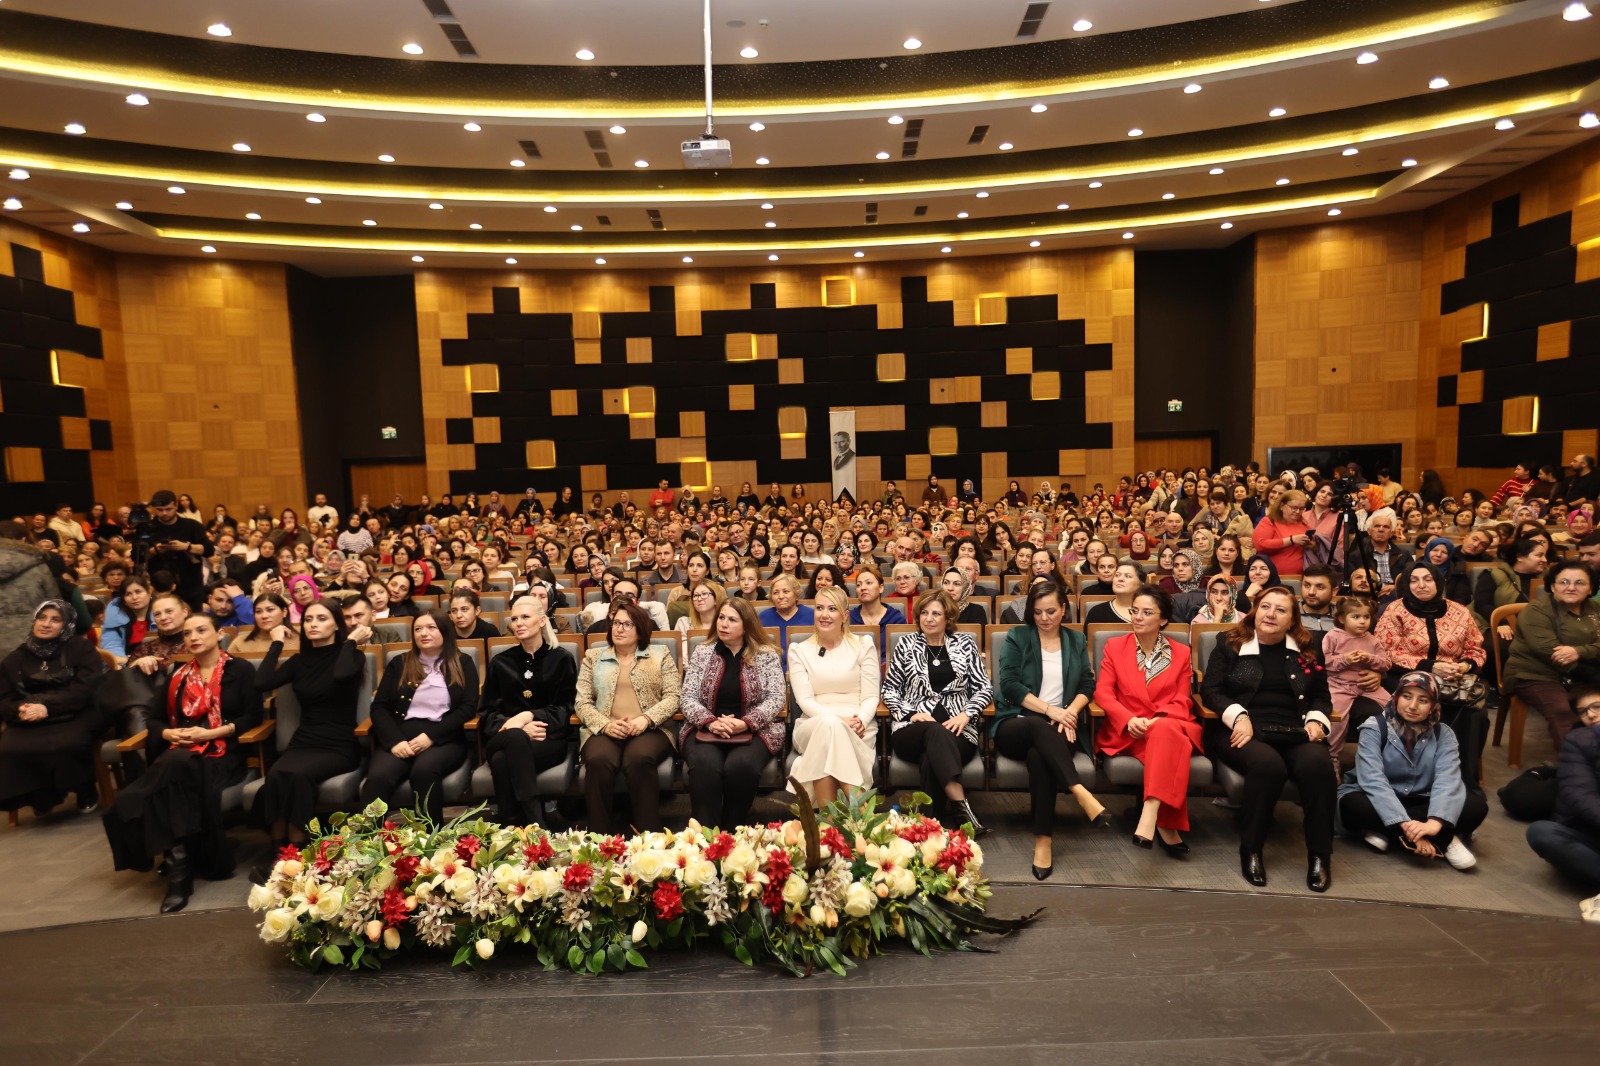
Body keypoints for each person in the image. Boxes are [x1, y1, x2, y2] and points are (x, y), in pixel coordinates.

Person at [102, 613, 263, 911]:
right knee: (177, 770)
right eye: (188, 633)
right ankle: (182, 864)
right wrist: (168, 731)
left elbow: (252, 717)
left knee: (165, 779)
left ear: (219, 634)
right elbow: (154, 719)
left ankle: (178, 872)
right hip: (179, 753)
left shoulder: (239, 671)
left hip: (223, 754)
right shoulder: (177, 675)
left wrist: (210, 732)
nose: (193, 637)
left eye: (201, 630)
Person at [1201, 588, 1336, 892]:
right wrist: (1239, 716)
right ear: (1255, 611)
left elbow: (1320, 696)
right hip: (1242, 729)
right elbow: (1211, 690)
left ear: (1292, 620)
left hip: (1295, 730)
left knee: (1318, 766)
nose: (1271, 614)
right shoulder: (1230, 643)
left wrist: (1316, 719)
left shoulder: (1309, 646)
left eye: (1280, 610)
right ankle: (1251, 849)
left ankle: (1320, 855)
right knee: (1268, 766)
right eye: (1265, 607)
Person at [992, 581, 1110, 878]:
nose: (1044, 618)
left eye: (1051, 611)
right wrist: (1049, 710)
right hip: (1017, 722)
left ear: (1064, 609)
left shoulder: (1075, 640)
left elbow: (1087, 684)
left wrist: (1069, 712)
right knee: (1035, 726)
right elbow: (1010, 685)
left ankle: (1043, 840)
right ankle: (1079, 791)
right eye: (1038, 612)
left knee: (1039, 757)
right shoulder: (1018, 636)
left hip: (1061, 726)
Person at [1337, 672, 1486, 870]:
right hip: (1379, 797)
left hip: (1424, 799)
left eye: (1423, 700)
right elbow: (1373, 780)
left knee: (1476, 806)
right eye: (1407, 697)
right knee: (1352, 804)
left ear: (1433, 705)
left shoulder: (1444, 734)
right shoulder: (1374, 727)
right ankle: (1444, 839)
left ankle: (1391, 833)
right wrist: (1405, 822)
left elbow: (1448, 781)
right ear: (1396, 697)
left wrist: (1435, 821)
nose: (1413, 706)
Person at [1094, 586, 1202, 855]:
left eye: (1146, 612)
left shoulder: (1181, 653)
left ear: (1163, 620)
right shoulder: (1115, 646)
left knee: (1165, 730)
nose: (1137, 617)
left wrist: (1155, 721)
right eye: (1134, 611)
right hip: (1129, 731)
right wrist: (1129, 719)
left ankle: (1150, 810)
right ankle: (1166, 825)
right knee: (1169, 742)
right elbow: (1103, 692)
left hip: (1166, 724)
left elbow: (1182, 700)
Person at [251, 600, 365, 848]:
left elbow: (341, 674)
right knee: (276, 775)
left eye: (322, 618)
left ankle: (296, 850)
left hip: (339, 744)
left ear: (337, 624)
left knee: (299, 776)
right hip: (304, 741)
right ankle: (279, 851)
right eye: (309, 619)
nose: (313, 624)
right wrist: (277, 643)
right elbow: (261, 682)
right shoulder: (298, 661)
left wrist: (351, 641)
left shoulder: (352, 656)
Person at [883, 590, 993, 833]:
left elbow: (984, 688)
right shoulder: (906, 644)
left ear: (948, 618)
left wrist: (966, 714)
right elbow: (889, 689)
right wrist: (911, 714)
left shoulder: (965, 643)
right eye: (924, 613)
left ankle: (930, 826)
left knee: (929, 758)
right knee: (933, 731)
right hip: (911, 729)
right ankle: (960, 804)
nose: (929, 618)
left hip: (958, 730)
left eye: (936, 613)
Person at [1375, 559, 1488, 790]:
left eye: (1427, 579)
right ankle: (1419, 777)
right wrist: (1430, 666)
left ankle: (1463, 779)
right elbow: (1386, 652)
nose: (1421, 585)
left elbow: (1476, 648)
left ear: (1438, 581)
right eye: (1414, 580)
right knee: (1426, 700)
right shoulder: (1395, 610)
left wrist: (1465, 666)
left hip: (1453, 677)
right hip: (1406, 674)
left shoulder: (1460, 612)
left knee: (1475, 710)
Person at [360, 611, 477, 826]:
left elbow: (468, 708)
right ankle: (368, 841)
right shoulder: (400, 662)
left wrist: (431, 736)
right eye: (418, 629)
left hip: (444, 737)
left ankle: (429, 838)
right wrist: (394, 741)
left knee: (424, 771)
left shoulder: (462, 662)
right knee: (378, 777)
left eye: (431, 627)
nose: (423, 633)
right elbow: (380, 708)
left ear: (444, 631)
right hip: (400, 735)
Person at [677, 597, 785, 828]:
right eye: (721, 618)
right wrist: (710, 722)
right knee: (705, 766)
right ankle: (705, 837)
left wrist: (745, 723)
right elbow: (687, 697)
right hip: (705, 728)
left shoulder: (766, 654)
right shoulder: (703, 652)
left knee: (741, 766)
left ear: (747, 625)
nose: (724, 624)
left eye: (732, 620)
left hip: (756, 730)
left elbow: (776, 698)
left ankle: (733, 830)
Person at [575, 602, 680, 832]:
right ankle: (600, 838)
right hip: (605, 729)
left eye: (627, 624)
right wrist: (605, 725)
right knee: (599, 760)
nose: (619, 629)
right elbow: (582, 702)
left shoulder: (659, 654)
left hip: (651, 729)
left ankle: (648, 836)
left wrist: (646, 719)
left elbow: (673, 696)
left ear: (641, 629)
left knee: (639, 758)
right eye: (616, 623)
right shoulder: (594, 657)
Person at [0, 601, 107, 817]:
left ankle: (85, 790)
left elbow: (85, 689)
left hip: (75, 712)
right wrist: (20, 709)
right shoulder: (16, 657)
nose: (46, 624)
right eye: (42, 618)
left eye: (55, 620)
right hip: (30, 717)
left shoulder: (81, 648)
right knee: (10, 748)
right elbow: (4, 697)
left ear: (67, 625)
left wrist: (47, 707)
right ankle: (40, 796)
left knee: (69, 744)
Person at [480, 595, 575, 827]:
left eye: (525, 617)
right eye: (514, 619)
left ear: (542, 621)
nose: (518, 623)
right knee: (513, 738)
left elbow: (565, 709)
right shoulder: (500, 662)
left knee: (504, 760)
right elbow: (487, 712)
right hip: (503, 734)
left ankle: (511, 824)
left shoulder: (561, 659)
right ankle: (536, 824)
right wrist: (519, 725)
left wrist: (529, 716)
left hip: (547, 739)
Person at [788, 587, 879, 807]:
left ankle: (828, 820)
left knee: (829, 737)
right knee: (829, 726)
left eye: (832, 609)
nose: (824, 614)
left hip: (858, 725)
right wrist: (838, 720)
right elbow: (805, 701)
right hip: (812, 722)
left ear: (845, 616)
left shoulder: (863, 645)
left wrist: (861, 721)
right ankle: (861, 809)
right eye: (819, 608)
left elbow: (871, 696)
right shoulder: (799, 650)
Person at [1504, 561, 1600, 749]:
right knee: (1564, 711)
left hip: (1581, 671)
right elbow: (1550, 652)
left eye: (1580, 583)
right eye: (1563, 582)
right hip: (1535, 674)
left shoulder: (1594, 609)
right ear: (1552, 586)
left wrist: (1579, 651)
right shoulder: (1537, 610)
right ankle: (1580, 765)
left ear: (1590, 589)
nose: (1571, 588)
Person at [1526, 687, 1600, 921]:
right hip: (1590, 831)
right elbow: (1582, 798)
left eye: (1596, 706)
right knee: (1541, 832)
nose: (1589, 715)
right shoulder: (1579, 741)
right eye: (1582, 711)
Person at [1320, 595, 1392, 770]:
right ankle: (1333, 757)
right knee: (1337, 719)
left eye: (1366, 617)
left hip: (1367, 687)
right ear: (1342, 618)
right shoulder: (1333, 636)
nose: (1362, 622)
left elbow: (1386, 663)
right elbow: (1324, 663)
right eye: (1356, 617)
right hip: (1339, 686)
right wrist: (1345, 659)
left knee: (1394, 707)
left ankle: (1396, 754)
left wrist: (1371, 659)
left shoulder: (1372, 640)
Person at [848, 564, 905, 660]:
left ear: (881, 588)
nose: (863, 588)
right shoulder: (849, 618)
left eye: (868, 583)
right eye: (859, 585)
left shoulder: (896, 618)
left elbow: (902, 656)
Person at [1252, 489, 1311, 576]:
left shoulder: (1305, 525)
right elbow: (1260, 544)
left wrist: (1312, 546)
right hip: (1271, 576)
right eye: (1294, 508)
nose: (1298, 512)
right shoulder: (1269, 521)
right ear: (1282, 506)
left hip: (1299, 577)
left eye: (1301, 508)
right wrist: (1291, 540)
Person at [100, 576, 155, 660]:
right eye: (128, 594)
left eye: (138, 592)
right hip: (127, 665)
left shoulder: (161, 613)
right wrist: (122, 664)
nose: (134, 597)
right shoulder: (115, 617)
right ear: (123, 599)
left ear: (149, 592)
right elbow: (112, 645)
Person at [757, 574, 814, 649]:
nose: (781, 596)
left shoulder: (811, 615)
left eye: (786, 591)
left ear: (796, 595)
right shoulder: (763, 617)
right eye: (776, 593)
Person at [230, 593, 299, 655]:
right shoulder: (240, 643)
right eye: (258, 611)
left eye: (270, 610)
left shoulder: (300, 639)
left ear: (284, 612)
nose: (264, 616)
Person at [1297, 564, 1338, 635]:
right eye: (1307, 585)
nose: (1311, 592)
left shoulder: (1343, 616)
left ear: (1334, 591)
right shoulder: (1290, 613)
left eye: (1320, 587)